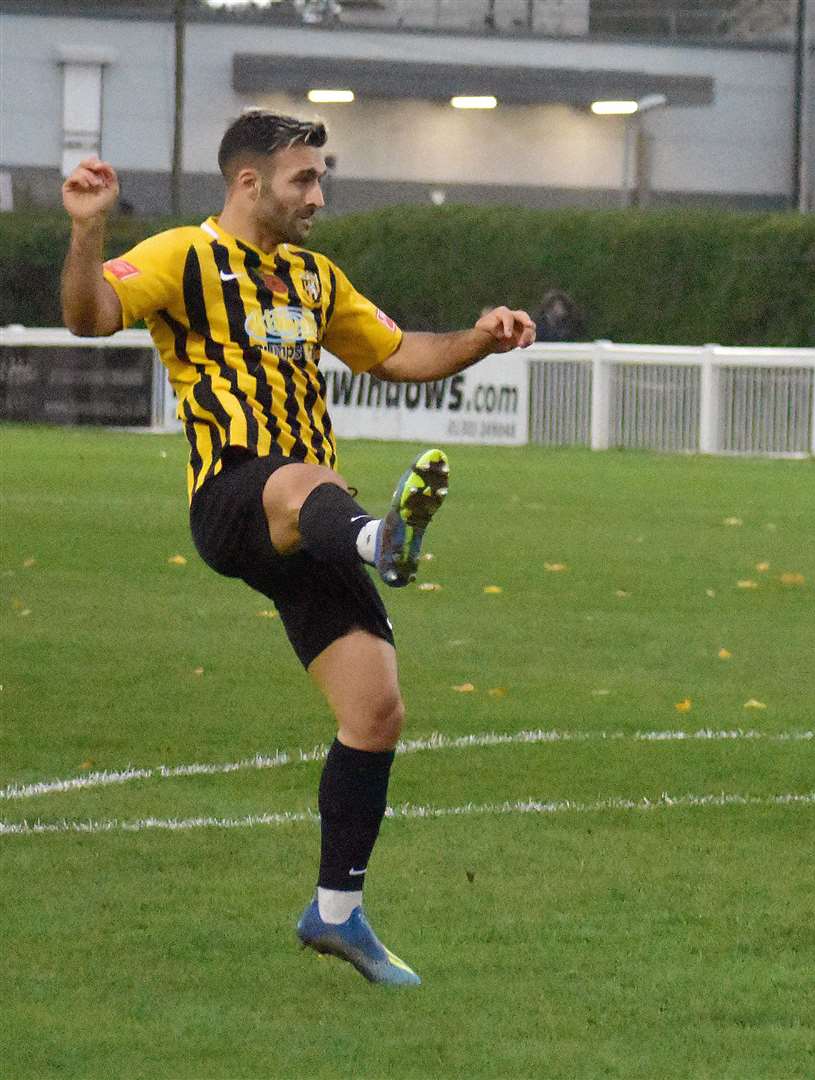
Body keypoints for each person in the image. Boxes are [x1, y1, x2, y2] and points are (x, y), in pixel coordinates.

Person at [59, 108, 535, 987]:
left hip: (312, 521)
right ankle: (379, 537)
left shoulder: (315, 280)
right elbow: (90, 315)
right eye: (303, 180)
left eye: (321, 177)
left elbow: (397, 355)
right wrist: (89, 231)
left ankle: (337, 915)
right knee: (298, 479)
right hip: (236, 497)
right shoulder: (180, 256)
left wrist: (481, 336)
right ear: (248, 182)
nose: (319, 195)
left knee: (377, 711)